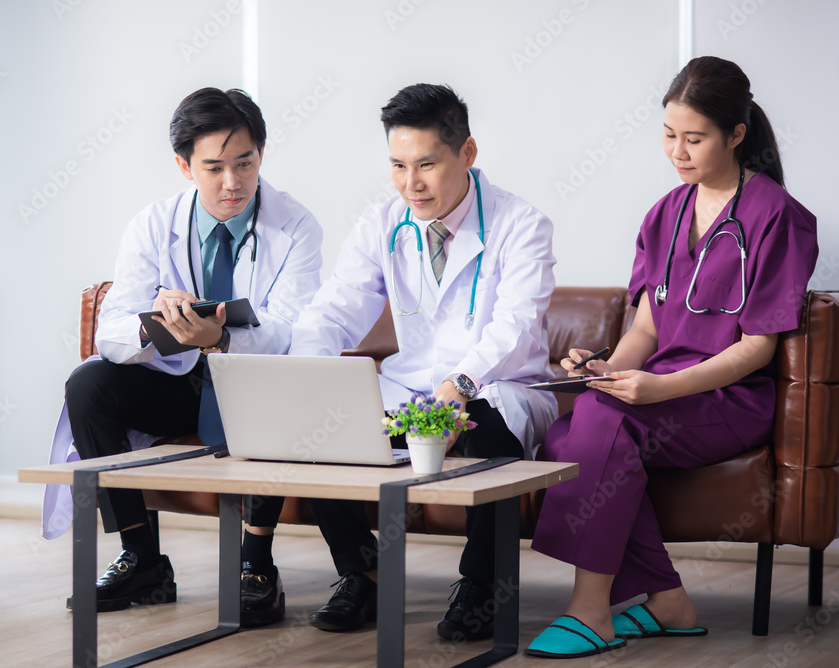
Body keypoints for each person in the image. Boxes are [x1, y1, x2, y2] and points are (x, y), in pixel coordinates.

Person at [526, 56, 818, 659]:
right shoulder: (665, 213)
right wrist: (606, 370)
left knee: (599, 426)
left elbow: (756, 347)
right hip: (662, 393)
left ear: (736, 135)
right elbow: (648, 327)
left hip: (730, 399)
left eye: (694, 138)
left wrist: (660, 389)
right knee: (562, 438)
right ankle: (668, 600)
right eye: (668, 135)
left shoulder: (778, 218)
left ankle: (591, 611)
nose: (677, 152)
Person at [42, 87, 323, 625]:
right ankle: (142, 556)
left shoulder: (297, 227)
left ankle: (256, 563)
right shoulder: (153, 224)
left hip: (253, 379)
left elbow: (292, 329)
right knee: (88, 385)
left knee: (272, 383)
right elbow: (112, 331)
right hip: (179, 380)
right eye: (214, 167)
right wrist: (160, 319)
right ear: (183, 165)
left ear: (261, 154)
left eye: (245, 163)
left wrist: (219, 339)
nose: (233, 182)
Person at [289, 83, 558, 640]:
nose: (410, 183)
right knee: (319, 435)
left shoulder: (520, 224)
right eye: (397, 165)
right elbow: (334, 307)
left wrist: (461, 382)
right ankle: (364, 574)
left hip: (497, 386)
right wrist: (308, 375)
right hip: (409, 390)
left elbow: (516, 324)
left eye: (427, 164)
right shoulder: (384, 222)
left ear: (468, 153)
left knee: (490, 438)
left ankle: (480, 585)